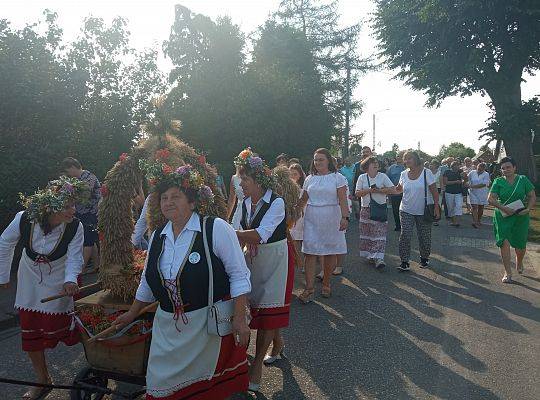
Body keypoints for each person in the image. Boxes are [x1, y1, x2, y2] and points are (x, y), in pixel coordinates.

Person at [115, 160, 252, 399]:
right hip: (166, 328)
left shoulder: (215, 228)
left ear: (192, 201)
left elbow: (239, 276)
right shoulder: (158, 235)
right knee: (159, 386)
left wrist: (240, 319)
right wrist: (132, 312)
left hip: (204, 328)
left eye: (175, 196)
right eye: (164, 197)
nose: (168, 202)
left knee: (201, 391)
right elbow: (148, 282)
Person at [0, 177, 88, 400]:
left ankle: (97, 366)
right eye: (67, 206)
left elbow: (75, 257)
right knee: (30, 329)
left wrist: (70, 280)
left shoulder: (75, 227)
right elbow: (5, 242)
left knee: (75, 326)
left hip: (59, 278)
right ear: (50, 206)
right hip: (29, 278)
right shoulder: (24, 218)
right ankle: (42, 379)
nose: (73, 211)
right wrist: (2, 276)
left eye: (73, 205)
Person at [234, 148, 294, 392]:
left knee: (269, 309)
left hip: (276, 260)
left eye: (244, 179)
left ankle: (256, 364)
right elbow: (237, 228)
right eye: (240, 178)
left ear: (258, 180)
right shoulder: (244, 202)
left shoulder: (277, 201)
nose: (240, 183)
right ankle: (277, 342)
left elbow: (261, 234)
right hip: (254, 258)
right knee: (259, 306)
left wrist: (234, 235)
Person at [297, 148, 349, 302]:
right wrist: (292, 211)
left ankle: (326, 283)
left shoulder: (337, 178)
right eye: (316, 159)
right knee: (309, 253)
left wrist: (345, 217)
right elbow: (303, 200)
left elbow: (343, 199)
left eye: (321, 159)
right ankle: (309, 288)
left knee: (329, 252)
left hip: (331, 217)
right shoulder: (309, 179)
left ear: (328, 161)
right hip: (312, 218)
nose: (318, 162)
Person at [488, 157, 536, 283]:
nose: (506, 170)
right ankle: (507, 272)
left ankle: (519, 262)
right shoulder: (498, 181)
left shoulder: (522, 179)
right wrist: (503, 208)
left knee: (520, 245)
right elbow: (491, 199)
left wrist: (529, 209)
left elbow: (532, 195)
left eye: (508, 167)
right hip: (503, 216)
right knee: (504, 243)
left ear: (514, 167)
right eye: (503, 168)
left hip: (520, 216)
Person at [394, 151, 440, 271]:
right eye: (405, 159)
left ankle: (424, 258)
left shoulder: (426, 173)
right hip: (405, 209)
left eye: (410, 158)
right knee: (405, 235)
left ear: (416, 159)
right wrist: (383, 190)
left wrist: (436, 206)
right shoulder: (403, 174)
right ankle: (404, 261)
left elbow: (435, 191)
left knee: (424, 236)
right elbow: (399, 189)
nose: (407, 161)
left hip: (423, 211)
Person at [355, 157, 396, 269]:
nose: (376, 165)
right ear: (366, 166)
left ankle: (379, 258)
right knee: (368, 234)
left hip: (379, 209)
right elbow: (357, 193)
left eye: (377, 163)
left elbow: (393, 189)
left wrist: (379, 190)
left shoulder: (383, 176)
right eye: (373, 163)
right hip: (366, 209)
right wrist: (369, 190)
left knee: (379, 233)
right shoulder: (362, 177)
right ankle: (371, 255)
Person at [62, 157, 101, 270]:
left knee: (87, 242)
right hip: (83, 214)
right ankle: (96, 266)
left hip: (91, 214)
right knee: (91, 240)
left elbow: (85, 195)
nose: (67, 174)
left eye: (67, 170)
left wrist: (69, 191)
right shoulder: (78, 179)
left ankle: (79, 270)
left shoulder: (89, 177)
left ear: (73, 167)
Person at [289, 163, 306, 272]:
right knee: (294, 240)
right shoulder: (286, 188)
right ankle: (299, 262)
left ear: (300, 175)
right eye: (291, 174)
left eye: (295, 174)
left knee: (303, 240)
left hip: (302, 215)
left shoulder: (304, 188)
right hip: (292, 215)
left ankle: (304, 262)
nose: (293, 176)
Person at [468, 162, 491, 228]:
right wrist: (465, 181)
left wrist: (472, 186)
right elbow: (467, 179)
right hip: (472, 192)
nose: (479, 170)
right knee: (474, 207)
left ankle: (478, 220)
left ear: (484, 169)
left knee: (481, 207)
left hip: (482, 193)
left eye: (481, 169)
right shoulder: (472, 172)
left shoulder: (486, 174)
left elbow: (484, 184)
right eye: (478, 168)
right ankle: (475, 222)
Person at [386, 156, 406, 231]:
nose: (398, 158)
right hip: (395, 193)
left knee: (405, 210)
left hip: (406, 193)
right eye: (397, 157)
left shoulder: (406, 167)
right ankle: (398, 225)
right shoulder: (391, 168)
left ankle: (405, 225)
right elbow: (387, 179)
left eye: (400, 157)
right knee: (396, 210)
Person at [443, 161, 464, 227]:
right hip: (449, 192)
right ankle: (454, 221)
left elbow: (464, 181)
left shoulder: (460, 172)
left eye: (458, 165)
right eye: (457, 165)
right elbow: (445, 182)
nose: (458, 166)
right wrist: (455, 182)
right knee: (451, 207)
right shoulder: (447, 172)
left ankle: (457, 222)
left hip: (458, 192)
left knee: (459, 205)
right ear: (453, 166)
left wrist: (464, 178)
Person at [429, 159, 442, 226]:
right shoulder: (428, 173)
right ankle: (431, 217)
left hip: (437, 190)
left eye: (432, 164)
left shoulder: (439, 173)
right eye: (430, 164)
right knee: (431, 204)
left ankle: (436, 219)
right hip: (429, 190)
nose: (431, 165)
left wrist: (442, 191)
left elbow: (441, 183)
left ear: (436, 165)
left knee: (437, 204)